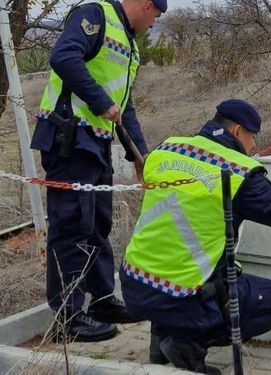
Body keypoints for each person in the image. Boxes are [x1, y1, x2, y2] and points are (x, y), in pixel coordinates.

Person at [119, 99, 271, 374]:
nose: (253, 146)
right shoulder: (238, 172)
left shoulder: (168, 148)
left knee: (178, 264)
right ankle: (189, 343)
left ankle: (162, 338)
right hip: (183, 295)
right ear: (238, 132)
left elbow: (150, 175)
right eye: (253, 138)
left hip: (134, 284)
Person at [30, 0, 166, 342]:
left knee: (98, 224)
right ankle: (68, 318)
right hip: (68, 137)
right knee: (71, 225)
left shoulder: (130, 46)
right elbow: (63, 58)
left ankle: (102, 300)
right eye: (156, 17)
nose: (153, 25)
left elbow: (124, 106)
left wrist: (140, 155)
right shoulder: (95, 14)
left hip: (97, 144)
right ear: (147, 5)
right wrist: (99, 101)